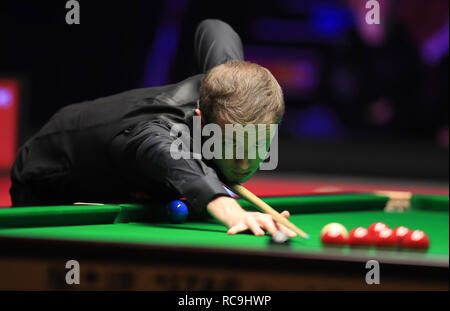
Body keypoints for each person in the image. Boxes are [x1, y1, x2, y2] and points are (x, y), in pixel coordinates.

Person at [10, 19, 296, 238]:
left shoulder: (226, 85)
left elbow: (214, 27)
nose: (245, 163)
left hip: (121, 171)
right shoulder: (158, 135)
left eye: (259, 145)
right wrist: (232, 211)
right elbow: (176, 163)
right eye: (231, 146)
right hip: (50, 178)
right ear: (201, 121)